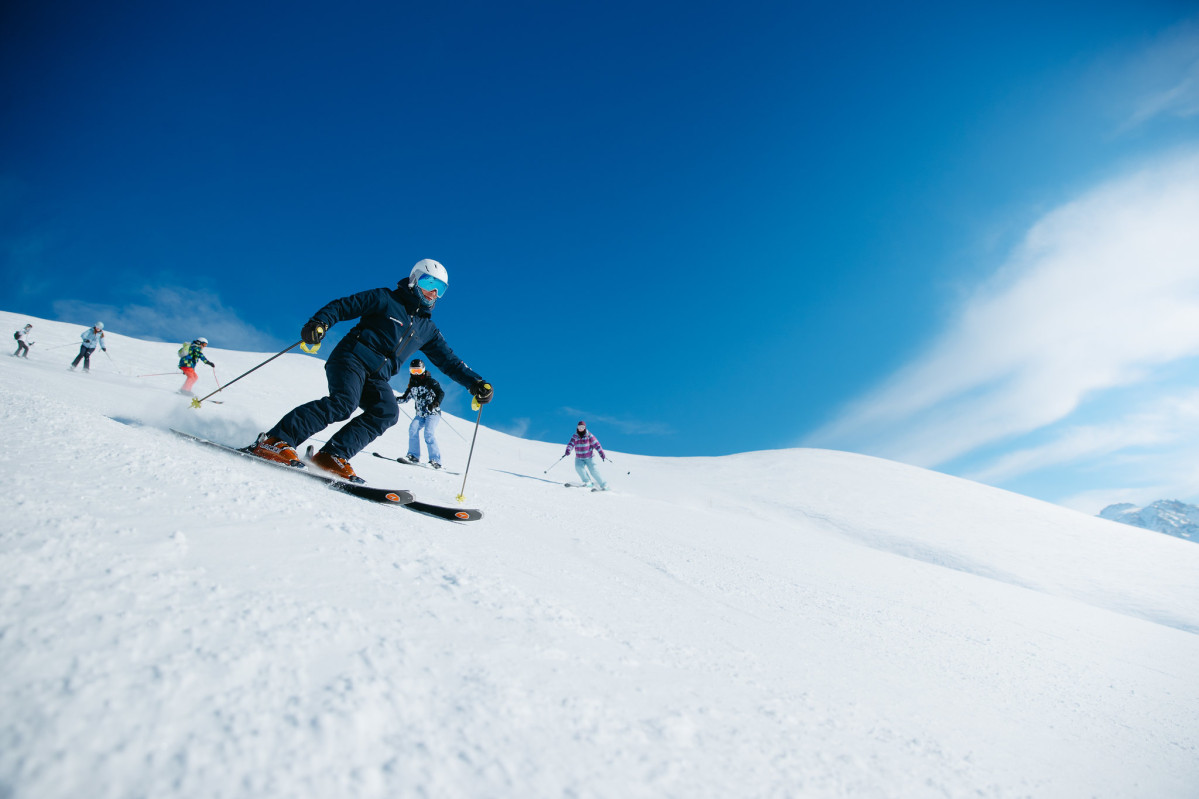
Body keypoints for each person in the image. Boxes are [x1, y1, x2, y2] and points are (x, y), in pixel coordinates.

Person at [249, 258, 493, 480]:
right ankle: (276, 440)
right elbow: (344, 306)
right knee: (344, 403)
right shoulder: (386, 298)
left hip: (377, 376)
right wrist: (319, 323)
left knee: (386, 411)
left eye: (441, 289)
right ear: (413, 280)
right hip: (351, 358)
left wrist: (475, 383)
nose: (433, 292)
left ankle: (331, 456)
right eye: (429, 282)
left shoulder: (426, 329)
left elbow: (449, 361)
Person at [396, 358, 446, 468]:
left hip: (432, 413)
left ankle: (436, 460)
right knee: (413, 429)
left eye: (418, 371)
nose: (416, 374)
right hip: (420, 414)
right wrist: (394, 400)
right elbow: (405, 398)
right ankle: (414, 456)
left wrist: (435, 403)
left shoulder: (430, 381)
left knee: (428, 433)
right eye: (414, 371)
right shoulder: (412, 384)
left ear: (423, 370)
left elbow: (440, 392)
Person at [565, 420, 609, 491]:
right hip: (579, 457)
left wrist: (601, 453)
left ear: (585, 428)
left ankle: (604, 485)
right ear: (577, 427)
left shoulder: (589, 435)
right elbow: (571, 444)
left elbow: (597, 444)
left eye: (582, 427)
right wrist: (568, 450)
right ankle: (588, 482)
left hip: (589, 457)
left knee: (594, 471)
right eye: (579, 427)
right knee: (578, 468)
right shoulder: (575, 436)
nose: (581, 428)